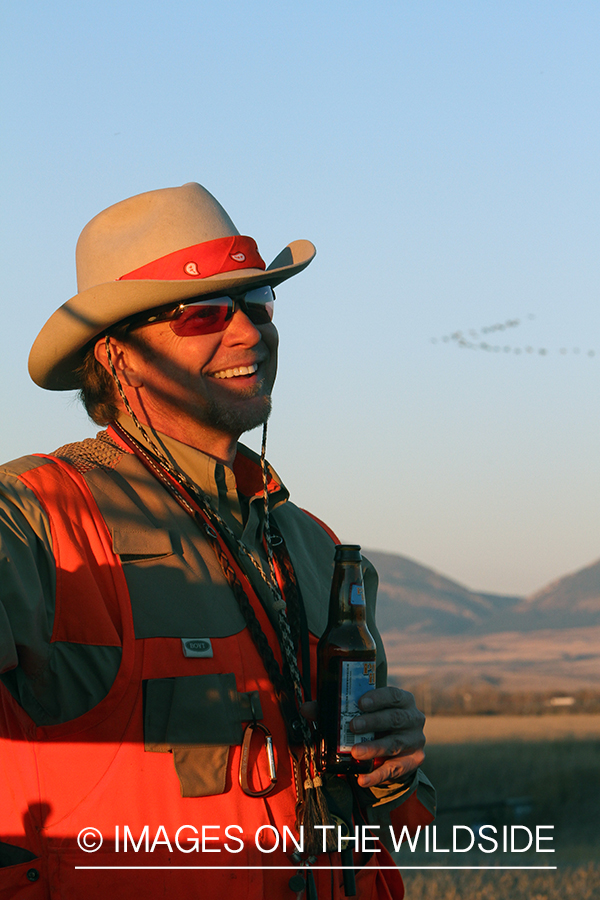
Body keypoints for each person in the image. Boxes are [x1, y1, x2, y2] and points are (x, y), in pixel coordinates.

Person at [0, 182, 434, 900]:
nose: (248, 332)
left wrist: (392, 776)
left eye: (257, 305)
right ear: (115, 356)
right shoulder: (35, 518)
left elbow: (380, 824)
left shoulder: (316, 548)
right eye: (203, 311)